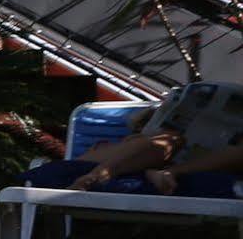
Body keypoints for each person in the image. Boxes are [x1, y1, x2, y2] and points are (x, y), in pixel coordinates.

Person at [24, 82, 243, 197]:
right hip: (127, 159)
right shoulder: (148, 138)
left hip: (171, 165)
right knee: (169, 139)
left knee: (168, 142)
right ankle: (95, 176)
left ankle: (166, 173)